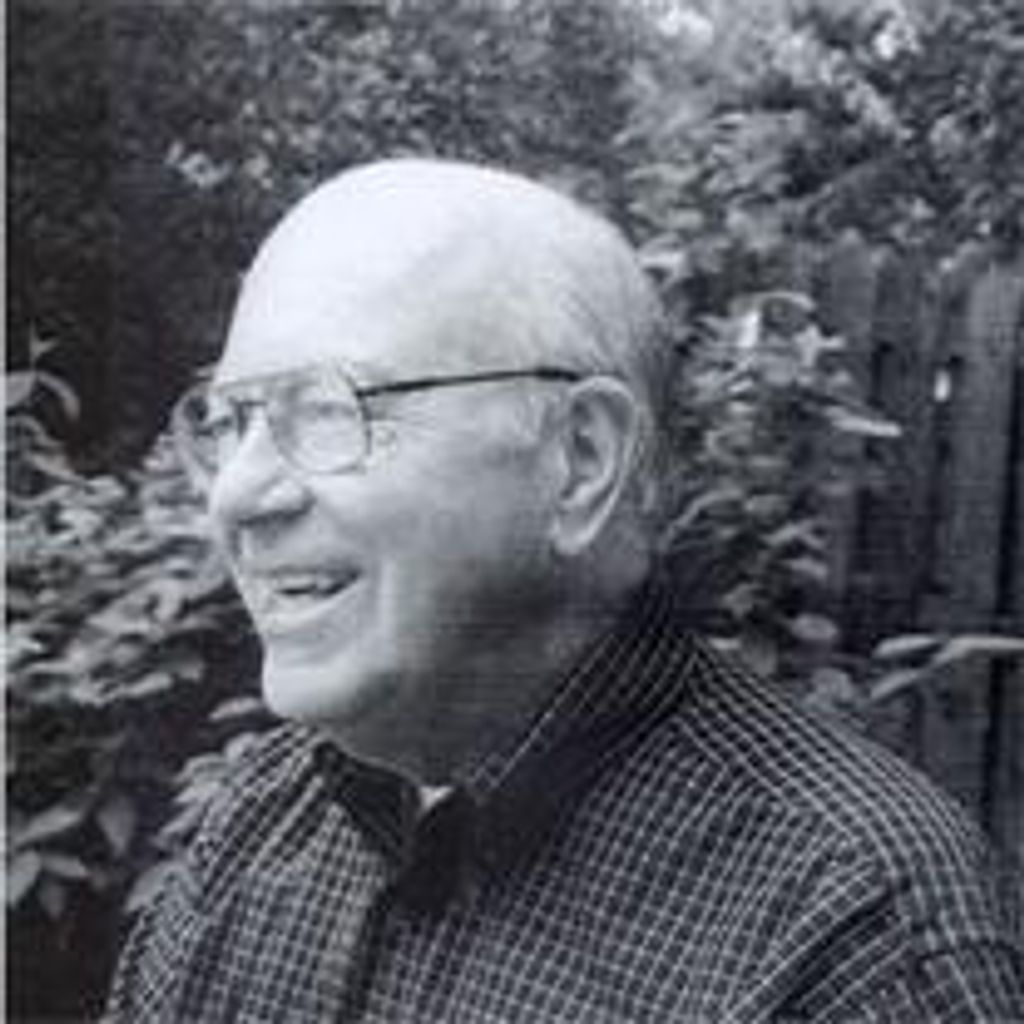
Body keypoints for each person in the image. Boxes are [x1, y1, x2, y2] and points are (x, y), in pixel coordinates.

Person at [106, 159, 1022, 1022]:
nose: (237, 495)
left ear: (580, 461)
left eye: (328, 410)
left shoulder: (852, 936)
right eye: (227, 422)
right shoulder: (257, 826)